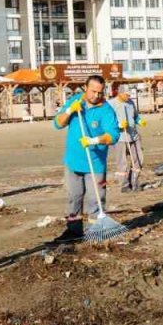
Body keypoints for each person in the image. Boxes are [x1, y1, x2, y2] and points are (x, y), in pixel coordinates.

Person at [51, 75, 121, 243]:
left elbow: (114, 135)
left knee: (95, 199)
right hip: (73, 161)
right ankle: (73, 231)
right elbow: (58, 123)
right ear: (85, 88)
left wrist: (94, 140)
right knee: (74, 197)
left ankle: (95, 232)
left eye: (100, 92)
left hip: (95, 164)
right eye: (93, 91)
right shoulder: (76, 101)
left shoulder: (106, 109)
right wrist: (69, 110)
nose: (96, 95)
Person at [108, 85, 146, 191]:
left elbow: (135, 116)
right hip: (120, 137)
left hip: (133, 135)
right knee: (122, 162)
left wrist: (139, 121)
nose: (129, 97)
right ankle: (124, 185)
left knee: (138, 159)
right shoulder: (111, 104)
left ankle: (135, 182)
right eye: (127, 94)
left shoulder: (130, 103)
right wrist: (118, 125)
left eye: (130, 95)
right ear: (120, 93)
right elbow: (107, 122)